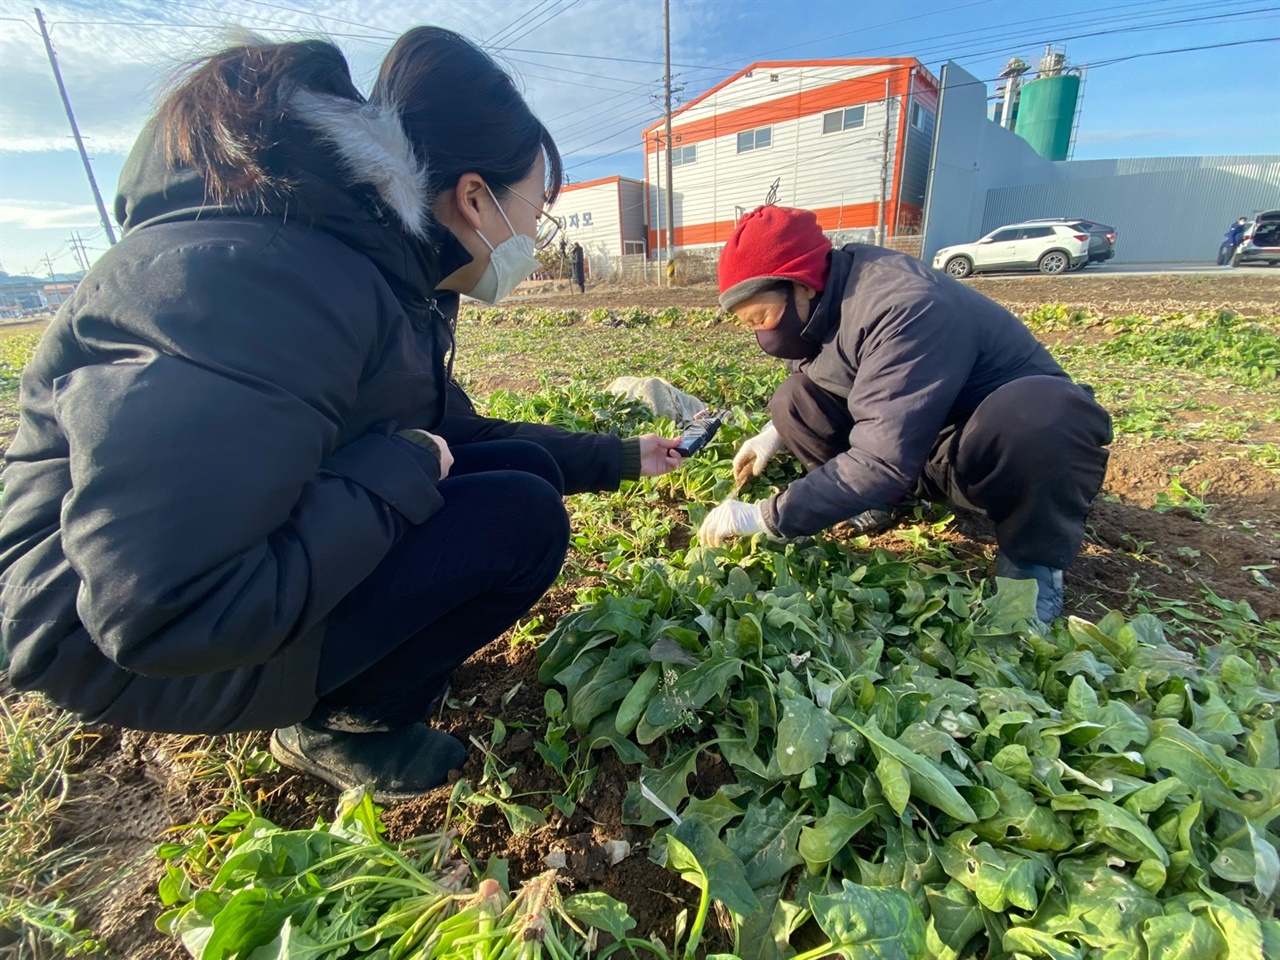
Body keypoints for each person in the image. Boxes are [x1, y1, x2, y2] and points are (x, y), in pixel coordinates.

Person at [0, 29, 683, 802]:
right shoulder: (260, 274)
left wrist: (621, 455)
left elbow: (453, 432)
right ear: (473, 197)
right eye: (536, 211)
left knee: (519, 478)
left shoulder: (364, 266)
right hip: (102, 636)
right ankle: (337, 723)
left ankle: (354, 678)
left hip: (195, 575)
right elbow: (167, 607)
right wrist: (399, 468)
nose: (534, 238)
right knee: (518, 519)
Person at [697, 206, 1112, 621]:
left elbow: (881, 457)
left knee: (1042, 416)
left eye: (762, 318)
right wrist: (775, 432)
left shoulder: (901, 304)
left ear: (800, 284)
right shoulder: (826, 300)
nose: (762, 335)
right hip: (913, 436)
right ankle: (881, 501)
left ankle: (1030, 565)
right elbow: (832, 377)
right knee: (793, 399)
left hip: (976, 442)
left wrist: (767, 516)